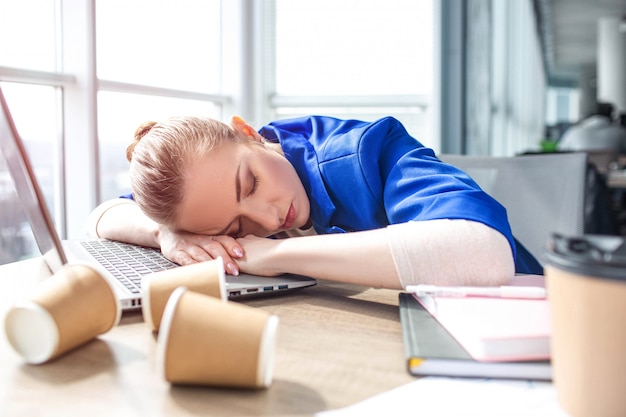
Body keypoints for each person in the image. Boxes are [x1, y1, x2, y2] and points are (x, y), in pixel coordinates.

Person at [86, 115, 541, 291]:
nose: (266, 216)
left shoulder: (367, 150)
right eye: (232, 228)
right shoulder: (202, 191)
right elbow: (103, 217)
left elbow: (484, 254)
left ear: (249, 133)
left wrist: (271, 254)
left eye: (251, 184)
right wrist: (167, 232)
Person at [558, 102, 626, 153]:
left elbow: (561, 152)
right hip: (611, 171)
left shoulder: (574, 132)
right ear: (611, 116)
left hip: (579, 170)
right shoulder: (620, 132)